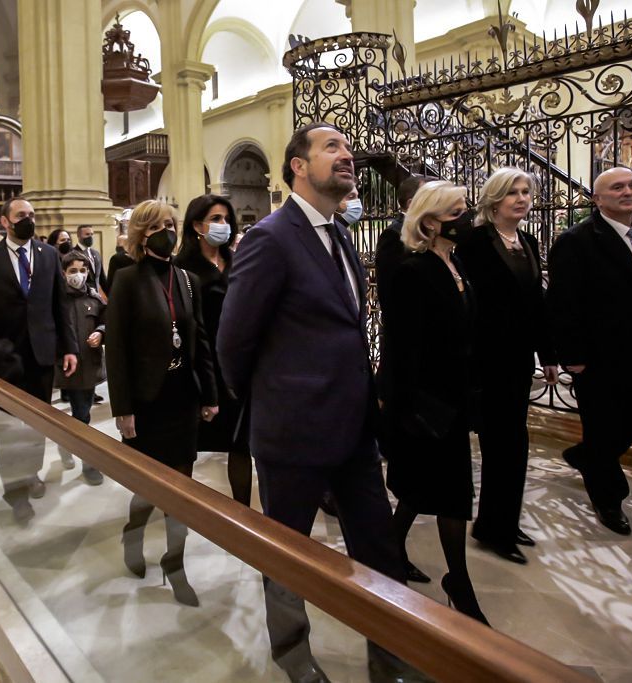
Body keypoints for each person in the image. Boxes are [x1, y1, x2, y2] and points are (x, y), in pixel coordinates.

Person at [217, 123, 408, 683]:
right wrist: (275, 401)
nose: (348, 156)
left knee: (378, 546)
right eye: (332, 148)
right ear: (298, 166)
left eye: (349, 148)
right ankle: (293, 655)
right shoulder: (271, 238)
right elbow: (234, 340)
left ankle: (393, 656)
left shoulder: (339, 236)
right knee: (288, 554)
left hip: (353, 427)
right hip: (293, 431)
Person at [547, 166, 632, 535]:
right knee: (603, 423)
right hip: (601, 357)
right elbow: (564, 303)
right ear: (597, 199)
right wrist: (571, 354)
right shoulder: (577, 241)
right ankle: (608, 499)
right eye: (617, 187)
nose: (628, 192)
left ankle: (587, 456)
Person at [382, 180, 487, 625]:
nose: (466, 218)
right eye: (456, 211)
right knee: (441, 491)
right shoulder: (413, 270)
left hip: (455, 399)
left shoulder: (456, 261)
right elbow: (401, 348)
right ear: (430, 220)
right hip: (426, 404)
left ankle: (391, 547)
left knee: (435, 489)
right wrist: (404, 407)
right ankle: (458, 583)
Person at [105, 199, 218, 608]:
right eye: (157, 226)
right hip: (146, 401)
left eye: (171, 223)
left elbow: (199, 340)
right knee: (147, 487)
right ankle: (133, 534)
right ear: (141, 233)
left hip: (182, 398)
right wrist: (123, 409)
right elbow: (115, 349)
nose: (167, 231)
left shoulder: (187, 280)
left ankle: (176, 565)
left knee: (182, 491)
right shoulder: (127, 279)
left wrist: (209, 394)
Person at [456, 168, 558, 565]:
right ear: (494, 199)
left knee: (515, 445)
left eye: (526, 192)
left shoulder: (527, 241)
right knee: (501, 446)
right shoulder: (474, 242)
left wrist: (547, 354)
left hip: (517, 362)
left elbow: (536, 305)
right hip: (485, 362)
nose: (521, 198)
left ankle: (501, 523)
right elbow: (467, 304)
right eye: (512, 192)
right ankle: (494, 529)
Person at [0, 196, 79, 522]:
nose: (27, 219)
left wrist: (69, 347)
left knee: (38, 422)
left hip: (42, 354)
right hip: (6, 358)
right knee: (10, 429)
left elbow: (60, 306)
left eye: (31, 214)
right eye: (20, 215)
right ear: (5, 221)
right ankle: (15, 493)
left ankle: (31, 472)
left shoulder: (48, 255)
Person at [174, 193, 252, 506]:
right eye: (215, 219)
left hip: (235, 366)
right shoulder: (182, 267)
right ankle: (180, 517)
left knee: (241, 445)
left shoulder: (235, 261)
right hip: (199, 367)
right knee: (188, 448)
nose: (224, 225)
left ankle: (245, 518)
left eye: (226, 220)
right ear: (196, 225)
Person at [375, 175, 437, 405]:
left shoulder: (432, 234)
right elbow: (392, 298)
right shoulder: (395, 235)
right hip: (408, 350)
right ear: (412, 203)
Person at [54, 251, 106, 486]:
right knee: (78, 416)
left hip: (87, 365)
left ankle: (86, 461)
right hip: (64, 366)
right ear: (64, 273)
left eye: (83, 271)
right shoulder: (56, 299)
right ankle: (69, 445)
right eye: (73, 271)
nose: (79, 275)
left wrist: (101, 332)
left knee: (82, 415)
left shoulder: (93, 299)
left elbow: (106, 320)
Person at [72, 224, 107, 293]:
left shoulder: (96, 253)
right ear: (79, 236)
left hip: (95, 296)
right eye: (87, 234)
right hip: (81, 295)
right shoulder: (73, 254)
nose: (90, 237)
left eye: (92, 234)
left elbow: (102, 278)